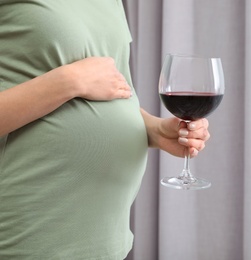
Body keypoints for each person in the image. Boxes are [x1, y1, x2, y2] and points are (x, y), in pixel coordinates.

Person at [0, 1, 210, 259]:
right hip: (30, 234)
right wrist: (69, 81)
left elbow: (113, 89)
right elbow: (81, 81)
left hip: (106, 240)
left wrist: (154, 130)